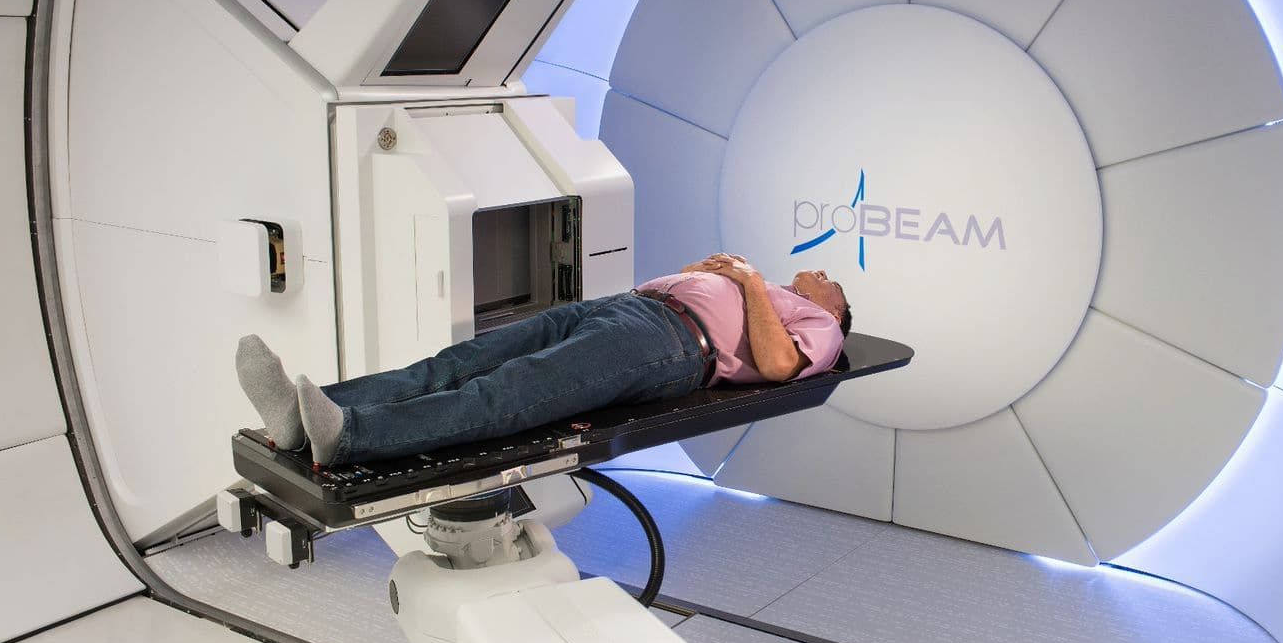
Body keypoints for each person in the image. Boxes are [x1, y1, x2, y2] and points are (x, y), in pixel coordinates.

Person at [236, 254, 851, 467]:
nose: (826, 276)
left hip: (669, 345)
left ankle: (351, 437)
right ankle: (299, 413)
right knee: (459, 361)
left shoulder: (820, 325)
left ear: (836, 312)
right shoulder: (775, 294)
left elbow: (776, 366)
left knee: (511, 391)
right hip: (625, 309)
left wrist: (745, 279)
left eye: (836, 284)